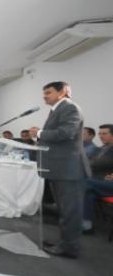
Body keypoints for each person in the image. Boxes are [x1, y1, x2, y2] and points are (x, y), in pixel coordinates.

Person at [29, 81, 90, 258]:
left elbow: (66, 133)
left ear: (62, 92)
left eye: (48, 92)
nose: (44, 96)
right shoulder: (58, 109)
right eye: (44, 93)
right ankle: (65, 242)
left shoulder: (70, 107)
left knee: (70, 211)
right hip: (60, 169)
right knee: (64, 210)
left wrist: (39, 133)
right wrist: (39, 136)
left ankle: (70, 248)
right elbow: (57, 138)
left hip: (70, 170)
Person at [82, 124, 113, 233]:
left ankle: (69, 217)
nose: (101, 136)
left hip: (109, 184)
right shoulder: (99, 149)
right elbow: (89, 163)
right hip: (97, 182)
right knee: (88, 193)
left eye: (104, 134)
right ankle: (86, 226)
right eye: (100, 133)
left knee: (83, 183)